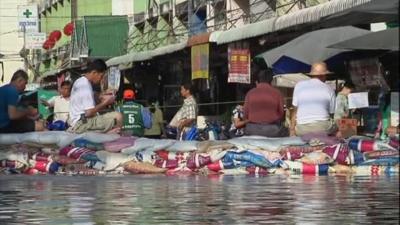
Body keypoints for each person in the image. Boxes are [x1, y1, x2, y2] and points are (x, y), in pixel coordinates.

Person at [67, 59, 122, 134]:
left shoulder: (80, 81)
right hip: (82, 124)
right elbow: (89, 113)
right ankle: (113, 141)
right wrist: (106, 102)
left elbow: (91, 96)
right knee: (117, 116)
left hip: (79, 122)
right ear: (94, 73)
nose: (101, 79)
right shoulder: (85, 85)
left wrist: (102, 95)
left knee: (108, 116)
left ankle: (108, 133)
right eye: (101, 76)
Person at [290, 62, 336, 136]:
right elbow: (332, 114)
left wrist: (292, 130)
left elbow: (295, 111)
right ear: (323, 75)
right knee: (335, 127)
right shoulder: (330, 89)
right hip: (323, 128)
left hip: (301, 129)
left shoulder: (299, 85)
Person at [243, 69, 287, 137]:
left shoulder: (250, 93)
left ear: (257, 81)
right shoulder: (277, 93)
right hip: (273, 130)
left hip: (252, 130)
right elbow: (281, 113)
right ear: (271, 81)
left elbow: (245, 114)